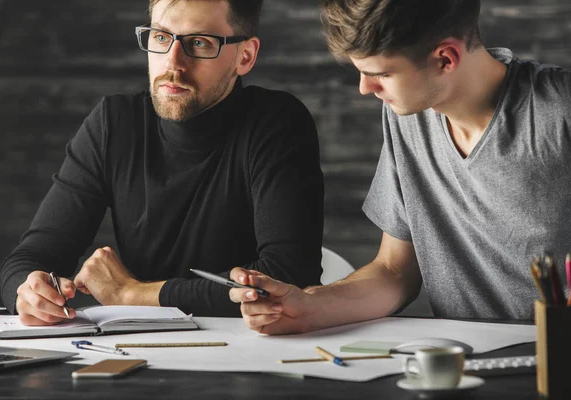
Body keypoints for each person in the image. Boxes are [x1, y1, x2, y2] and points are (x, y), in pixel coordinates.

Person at [229, 0, 571, 335]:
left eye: (380, 74)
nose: (365, 88)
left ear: (445, 58)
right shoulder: (407, 116)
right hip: (464, 362)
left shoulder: (559, 110)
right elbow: (395, 271)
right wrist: (306, 306)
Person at [0, 0, 324, 326]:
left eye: (199, 43)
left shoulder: (277, 123)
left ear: (245, 56)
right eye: (160, 37)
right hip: (142, 355)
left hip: (255, 354)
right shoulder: (114, 124)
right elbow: (31, 257)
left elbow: (288, 277)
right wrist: (27, 291)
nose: (173, 62)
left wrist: (131, 294)